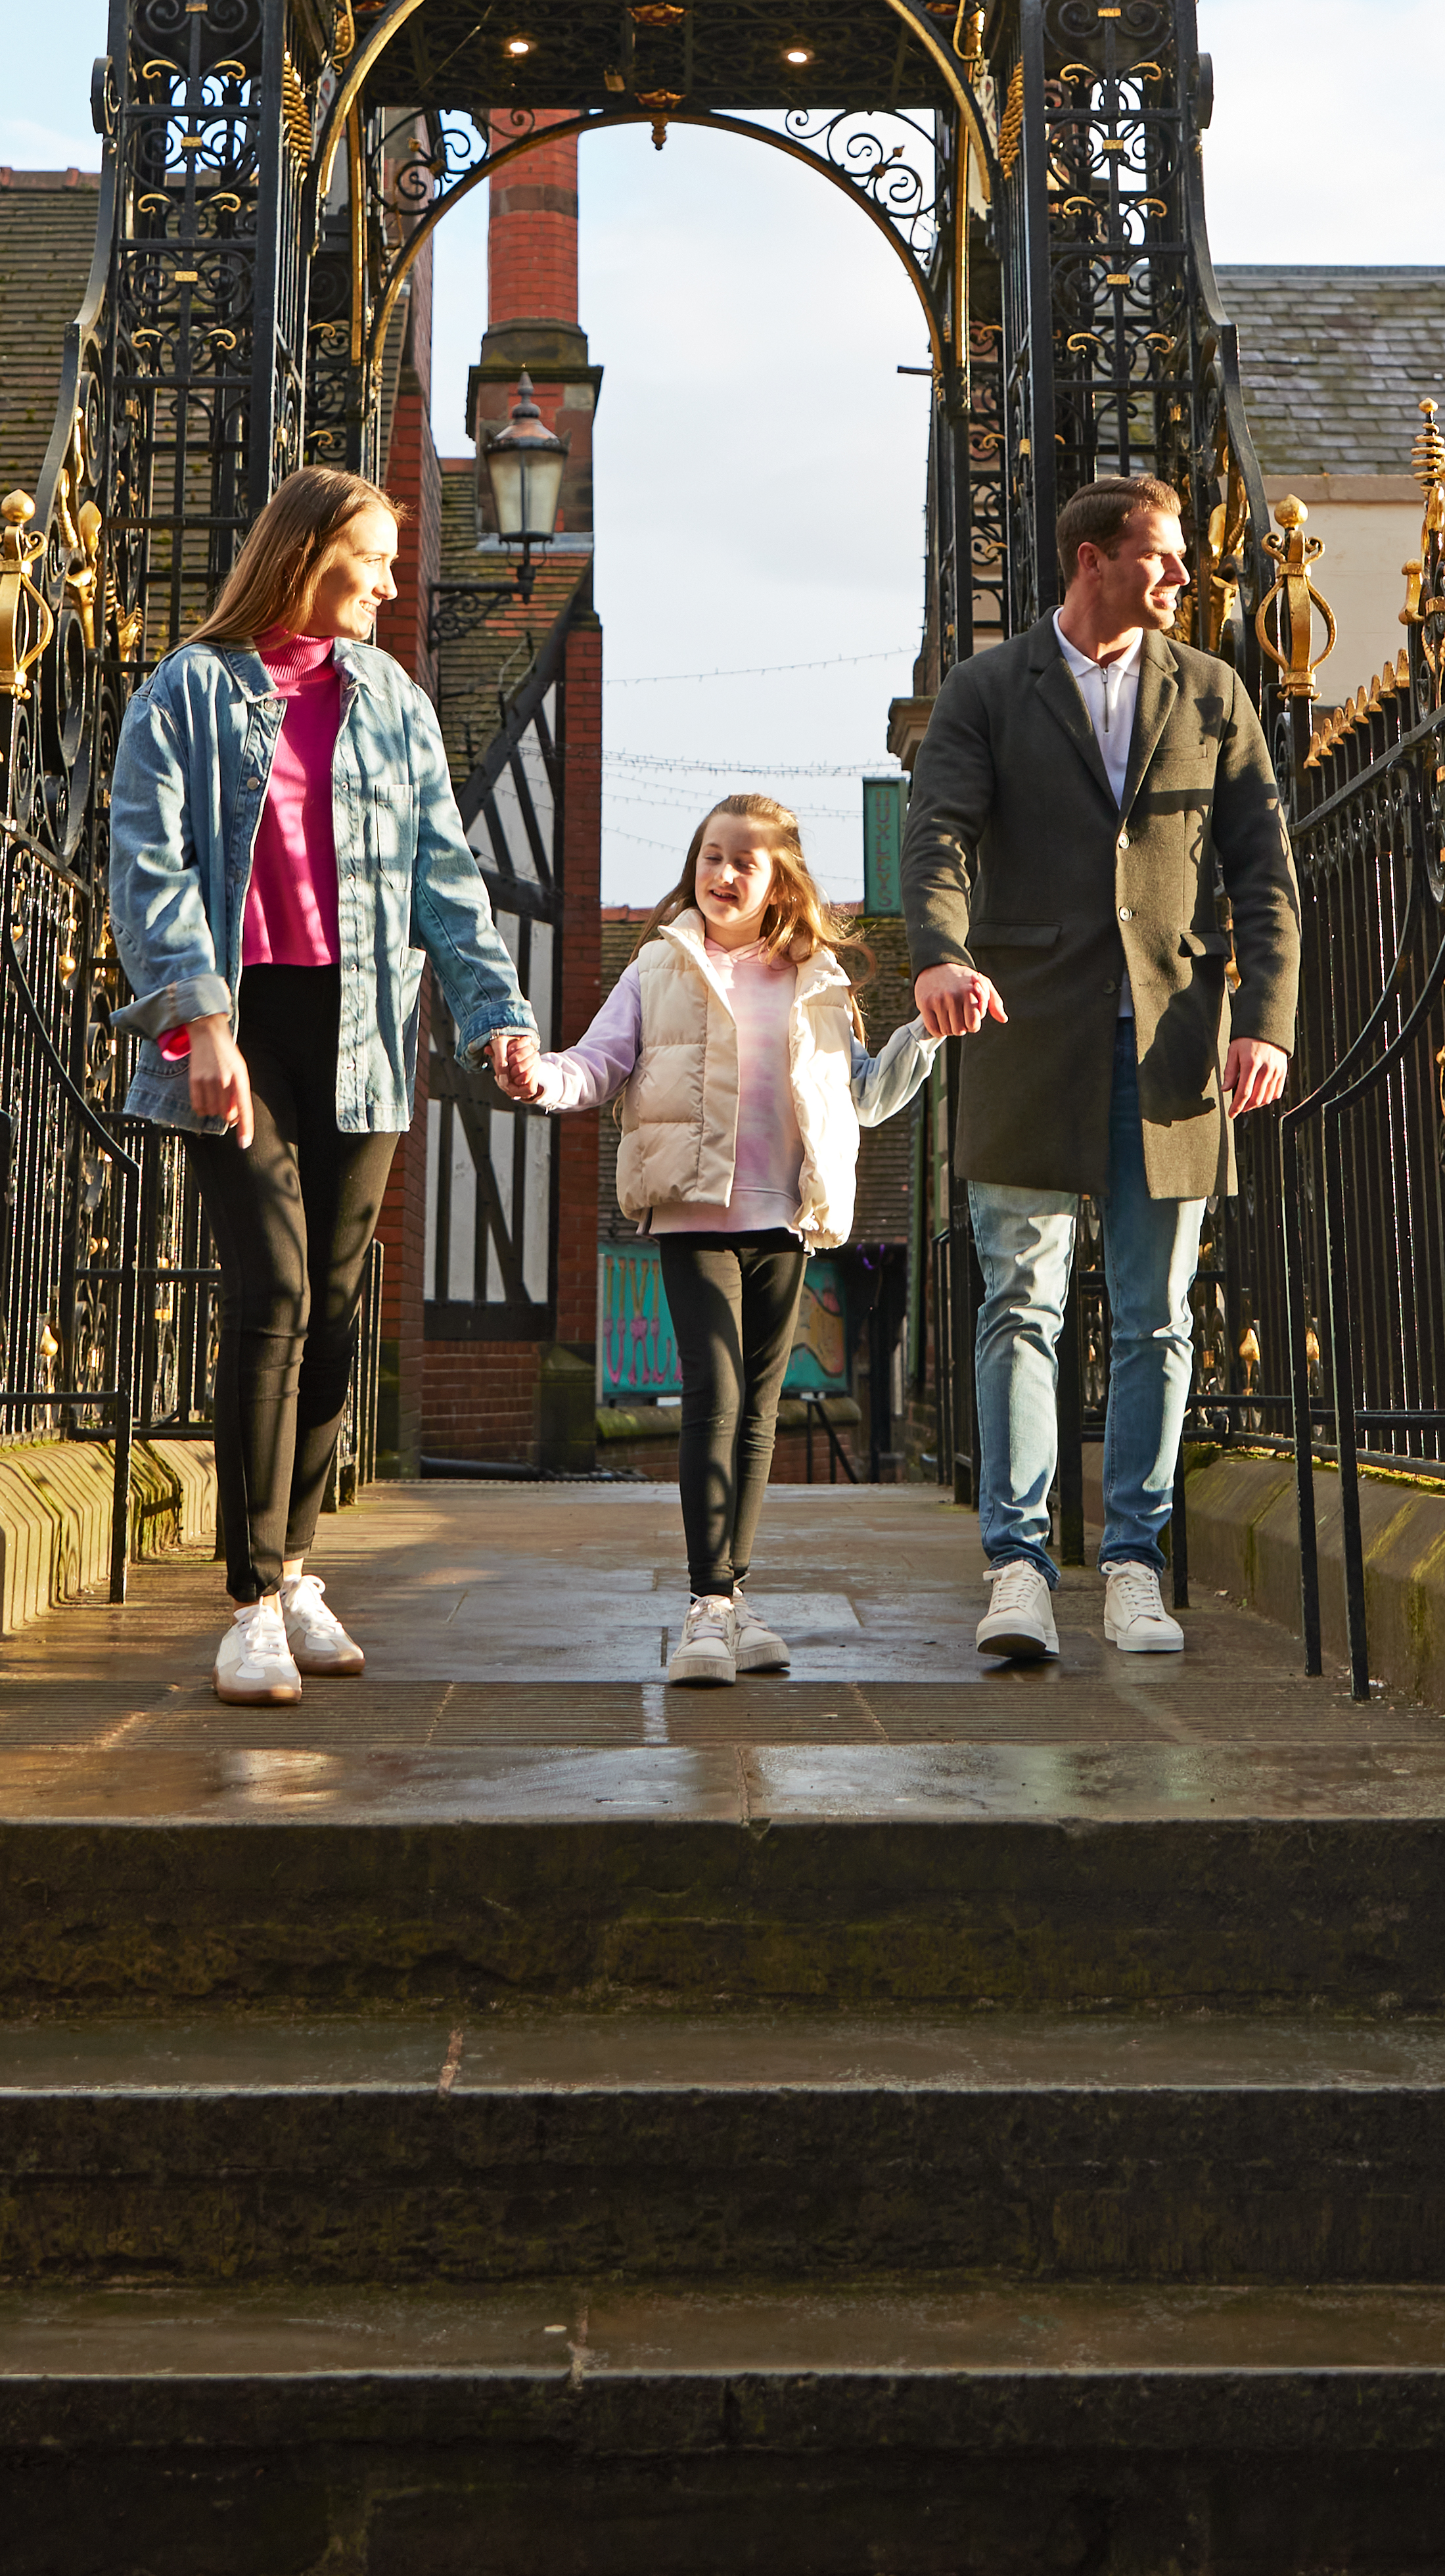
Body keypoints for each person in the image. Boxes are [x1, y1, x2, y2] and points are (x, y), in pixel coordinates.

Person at [105, 466, 532, 1707]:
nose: (394, 586)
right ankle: (247, 1599)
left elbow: (446, 878)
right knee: (274, 1289)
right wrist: (202, 1022)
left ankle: (297, 1568)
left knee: (337, 1303)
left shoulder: (393, 701)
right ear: (306, 555)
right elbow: (149, 861)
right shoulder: (186, 692)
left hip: (364, 1025)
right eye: (376, 559)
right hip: (239, 1024)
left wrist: (497, 1014)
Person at [902, 475, 1296, 1672]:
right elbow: (940, 834)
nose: (1183, 576)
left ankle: (1134, 1565)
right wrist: (939, 955)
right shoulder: (984, 689)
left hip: (1175, 1044)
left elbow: (1264, 871)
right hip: (1024, 1029)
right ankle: (1018, 1568)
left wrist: (1267, 1022)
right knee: (1019, 1302)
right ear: (1091, 560)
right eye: (1162, 557)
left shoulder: (1216, 693)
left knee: (1157, 1318)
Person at [489, 789, 932, 1689]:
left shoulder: (818, 980)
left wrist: (927, 1034)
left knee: (760, 1417)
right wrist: (542, 1078)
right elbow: (597, 1063)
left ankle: (733, 1596)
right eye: (711, 857)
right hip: (692, 1210)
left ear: (779, 884)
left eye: (745, 862)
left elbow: (865, 1098)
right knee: (715, 1393)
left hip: (786, 1219)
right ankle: (706, 1605)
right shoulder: (659, 965)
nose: (724, 874)